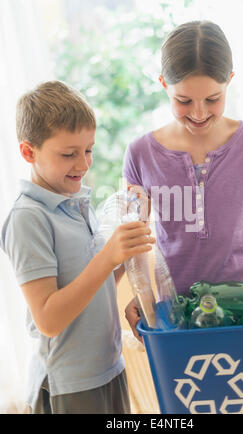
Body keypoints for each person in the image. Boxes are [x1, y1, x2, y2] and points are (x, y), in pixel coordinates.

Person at [122, 21, 243, 344]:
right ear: (163, 84)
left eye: (213, 99)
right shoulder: (140, 155)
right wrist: (142, 296)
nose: (200, 113)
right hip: (179, 324)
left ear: (230, 81)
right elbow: (133, 247)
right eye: (184, 101)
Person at [0, 81, 155, 414]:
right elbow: (49, 319)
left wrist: (124, 255)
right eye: (69, 154)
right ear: (29, 152)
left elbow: (89, 286)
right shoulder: (28, 217)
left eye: (89, 149)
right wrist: (108, 256)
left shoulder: (76, 203)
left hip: (107, 369)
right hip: (69, 387)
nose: (84, 164)